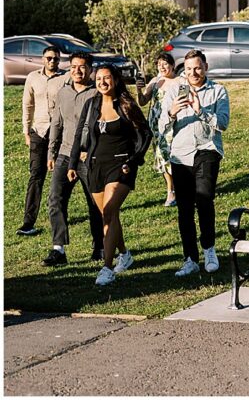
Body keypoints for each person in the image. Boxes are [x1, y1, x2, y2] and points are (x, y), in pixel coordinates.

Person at [68, 66, 151, 285]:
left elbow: (146, 133)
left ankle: (107, 267)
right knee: (109, 215)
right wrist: (72, 163)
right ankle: (124, 254)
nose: (102, 82)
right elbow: (79, 134)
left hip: (120, 166)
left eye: (107, 78)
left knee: (109, 211)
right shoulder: (91, 104)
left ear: (115, 80)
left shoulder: (126, 105)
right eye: (98, 79)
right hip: (95, 166)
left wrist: (134, 160)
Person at [159, 49, 230, 278]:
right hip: (180, 154)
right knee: (185, 208)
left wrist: (201, 110)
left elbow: (223, 124)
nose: (193, 73)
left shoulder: (218, 91)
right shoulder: (174, 90)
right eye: (189, 69)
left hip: (207, 149)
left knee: (205, 198)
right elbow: (161, 126)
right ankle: (190, 258)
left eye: (197, 68)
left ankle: (209, 250)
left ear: (206, 67)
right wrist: (172, 112)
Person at [44, 52, 104, 265]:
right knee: (55, 199)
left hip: (89, 157)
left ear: (90, 69)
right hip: (65, 153)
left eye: (82, 67)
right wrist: (51, 152)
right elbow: (56, 124)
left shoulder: (97, 93)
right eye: (73, 67)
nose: (77, 71)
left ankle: (100, 247)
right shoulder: (63, 93)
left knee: (95, 204)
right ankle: (58, 249)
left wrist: (94, 150)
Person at [18, 45, 66, 236]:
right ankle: (28, 222)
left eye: (55, 58)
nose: (52, 61)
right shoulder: (33, 77)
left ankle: (60, 215)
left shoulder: (66, 78)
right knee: (36, 176)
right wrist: (26, 132)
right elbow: (27, 105)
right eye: (49, 58)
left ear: (59, 60)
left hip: (60, 133)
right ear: (43, 59)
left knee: (60, 177)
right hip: (38, 131)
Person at [136, 53, 179, 207]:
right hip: (156, 126)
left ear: (172, 65)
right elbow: (143, 102)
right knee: (162, 156)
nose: (162, 67)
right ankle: (170, 191)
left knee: (174, 155)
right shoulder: (155, 81)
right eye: (159, 64)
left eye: (165, 63)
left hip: (174, 123)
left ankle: (180, 187)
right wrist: (139, 90)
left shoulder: (180, 81)